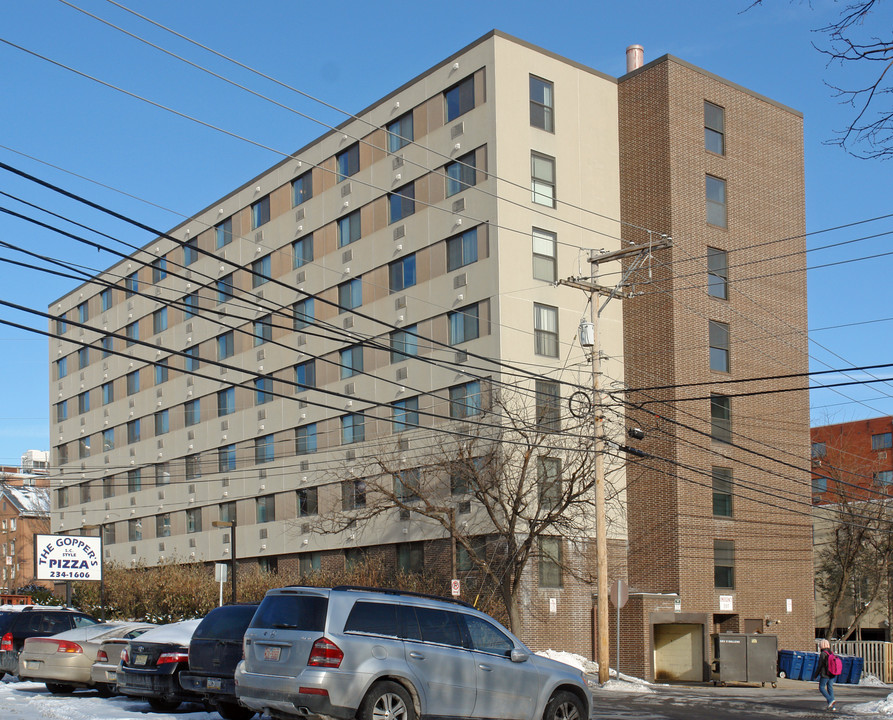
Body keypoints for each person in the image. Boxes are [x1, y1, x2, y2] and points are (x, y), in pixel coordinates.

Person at [815, 638, 837, 711]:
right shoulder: (831, 653)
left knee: (821, 688)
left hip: (825, 674)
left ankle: (830, 700)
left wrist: (815, 674)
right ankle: (832, 706)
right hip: (832, 674)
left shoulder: (823, 654)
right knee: (830, 688)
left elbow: (820, 666)